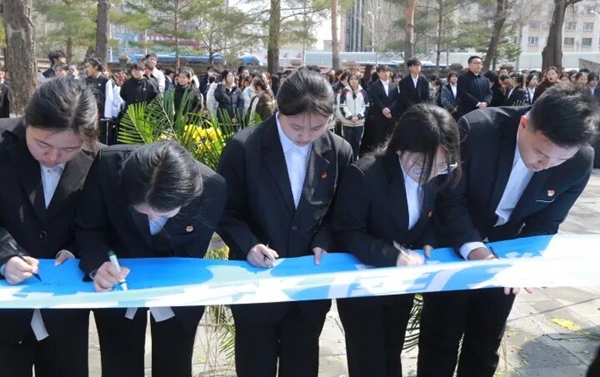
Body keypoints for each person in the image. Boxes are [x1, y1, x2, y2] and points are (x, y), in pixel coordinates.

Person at [417, 82, 600, 377]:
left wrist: (523, 263)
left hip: (508, 250)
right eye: (541, 153)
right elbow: (451, 200)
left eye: (560, 159)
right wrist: (475, 249)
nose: (546, 165)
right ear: (525, 124)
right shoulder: (477, 130)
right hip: (454, 241)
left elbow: (547, 222)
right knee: (440, 336)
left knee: (486, 340)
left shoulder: (579, 161)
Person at [216, 69, 354, 377]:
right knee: (255, 366)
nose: (305, 135)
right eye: (296, 126)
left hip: (308, 286)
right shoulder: (244, 147)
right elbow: (225, 212)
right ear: (279, 108)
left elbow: (342, 211)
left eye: (317, 127)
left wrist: (325, 241)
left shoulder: (339, 151)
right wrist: (249, 245)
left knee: (302, 364)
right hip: (255, 283)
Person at [75, 140, 226, 377]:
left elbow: (192, 254)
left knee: (175, 366)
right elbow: (89, 228)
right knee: (118, 366)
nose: (153, 218)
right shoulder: (108, 165)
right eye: (144, 211)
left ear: (187, 198)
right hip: (117, 285)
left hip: (177, 289)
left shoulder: (212, 188)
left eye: (162, 213)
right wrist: (98, 264)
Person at [332, 104, 462, 377]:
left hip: (400, 287)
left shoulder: (433, 175)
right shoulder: (365, 174)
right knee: (369, 364)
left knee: (392, 355)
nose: (430, 174)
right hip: (363, 289)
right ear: (401, 147)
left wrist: (428, 239)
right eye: (423, 165)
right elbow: (347, 232)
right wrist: (393, 255)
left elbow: (429, 218)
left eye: (441, 166)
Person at [0, 77, 98, 376]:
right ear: (27, 122)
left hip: (65, 312)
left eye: (68, 149)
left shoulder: (99, 160)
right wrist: (4, 256)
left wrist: (76, 249)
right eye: (42, 144)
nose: (53, 158)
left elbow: (97, 222)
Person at [360, 64, 400, 154]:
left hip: (391, 116)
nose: (385, 73)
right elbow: (376, 99)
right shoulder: (374, 85)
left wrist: (389, 109)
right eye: (383, 71)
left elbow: (396, 100)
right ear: (378, 73)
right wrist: (383, 109)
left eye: (387, 71)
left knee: (390, 138)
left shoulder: (394, 86)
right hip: (379, 115)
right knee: (378, 139)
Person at [339, 71, 369, 159]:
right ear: (348, 81)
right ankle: (347, 161)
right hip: (347, 123)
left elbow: (366, 106)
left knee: (357, 144)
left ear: (359, 80)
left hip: (359, 123)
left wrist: (358, 116)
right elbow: (342, 105)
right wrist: (350, 116)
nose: (354, 81)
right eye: (351, 79)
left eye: (356, 79)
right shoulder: (344, 92)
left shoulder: (363, 92)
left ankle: (355, 161)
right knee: (347, 145)